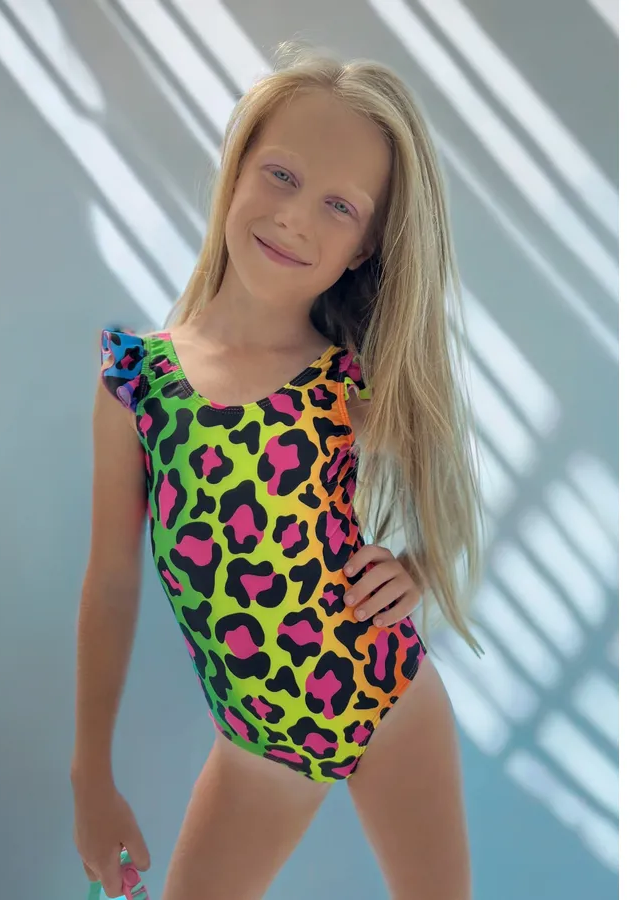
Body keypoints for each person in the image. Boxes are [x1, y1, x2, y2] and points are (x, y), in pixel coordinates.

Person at [72, 41, 484, 900]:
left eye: (339, 205)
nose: (296, 217)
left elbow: (444, 472)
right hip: (261, 740)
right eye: (282, 175)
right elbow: (110, 582)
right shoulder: (138, 386)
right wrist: (90, 775)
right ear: (237, 171)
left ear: (366, 247)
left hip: (386, 691)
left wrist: (418, 566)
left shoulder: (348, 380)